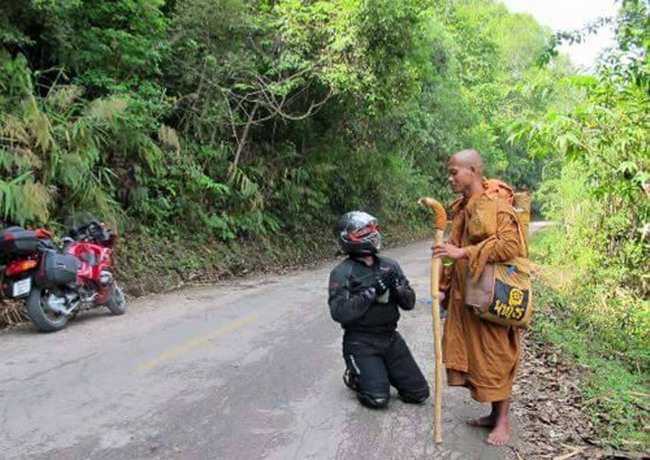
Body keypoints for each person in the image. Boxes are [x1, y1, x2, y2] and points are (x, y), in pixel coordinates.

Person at [433, 150, 526, 446]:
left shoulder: (496, 206)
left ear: (472, 171)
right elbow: (454, 250)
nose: (450, 178)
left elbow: (509, 245)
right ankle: (490, 413)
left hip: (492, 296)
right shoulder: (462, 209)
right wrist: (445, 282)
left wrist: (465, 253)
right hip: (467, 296)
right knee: (477, 357)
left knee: (496, 356)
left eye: (454, 172)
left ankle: (502, 421)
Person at [328, 211, 430, 409]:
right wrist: (373, 291)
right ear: (349, 238)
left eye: (373, 229)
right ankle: (355, 375)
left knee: (418, 394)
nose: (372, 233)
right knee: (377, 399)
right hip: (360, 341)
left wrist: (397, 288)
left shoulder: (389, 265)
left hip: (390, 337)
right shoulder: (342, 272)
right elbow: (339, 312)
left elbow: (409, 303)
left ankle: (383, 370)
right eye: (365, 231)